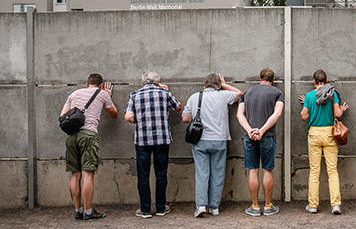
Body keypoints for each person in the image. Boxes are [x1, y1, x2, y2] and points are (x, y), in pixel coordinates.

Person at [182, 73, 243, 218]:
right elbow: (240, 94)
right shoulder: (223, 95)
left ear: (204, 84)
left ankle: (201, 206)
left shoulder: (194, 97)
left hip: (200, 140)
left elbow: (185, 118)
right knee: (218, 174)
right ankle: (215, 207)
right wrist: (224, 84)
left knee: (202, 174)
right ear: (219, 85)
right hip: (220, 140)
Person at [125, 71, 182, 219]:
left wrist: (138, 122)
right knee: (161, 174)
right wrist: (167, 90)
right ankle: (161, 208)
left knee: (143, 176)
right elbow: (178, 107)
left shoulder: (135, 95)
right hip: (162, 139)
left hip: (142, 140)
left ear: (143, 82)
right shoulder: (164, 93)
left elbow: (128, 116)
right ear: (158, 82)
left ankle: (145, 210)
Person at [60, 73, 117, 220]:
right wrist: (108, 95)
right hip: (88, 135)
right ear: (100, 85)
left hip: (71, 136)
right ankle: (88, 211)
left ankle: (78, 210)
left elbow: (62, 115)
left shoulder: (74, 94)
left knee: (75, 174)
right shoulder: (102, 93)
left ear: (87, 84)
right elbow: (114, 114)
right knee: (87, 174)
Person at [236, 68, 284, 217]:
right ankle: (268, 206)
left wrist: (250, 130)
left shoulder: (247, 92)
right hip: (267, 135)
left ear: (259, 78)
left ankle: (255, 206)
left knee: (253, 170)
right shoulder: (277, 93)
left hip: (249, 136)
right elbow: (277, 113)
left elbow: (239, 114)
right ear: (273, 80)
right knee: (267, 170)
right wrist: (262, 131)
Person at [299, 69, 348, 215]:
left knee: (314, 172)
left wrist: (306, 103)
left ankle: (313, 205)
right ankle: (336, 205)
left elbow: (303, 116)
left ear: (314, 81)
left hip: (314, 133)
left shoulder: (309, 96)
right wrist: (342, 109)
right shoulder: (332, 94)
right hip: (329, 134)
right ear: (326, 81)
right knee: (332, 171)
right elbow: (338, 114)